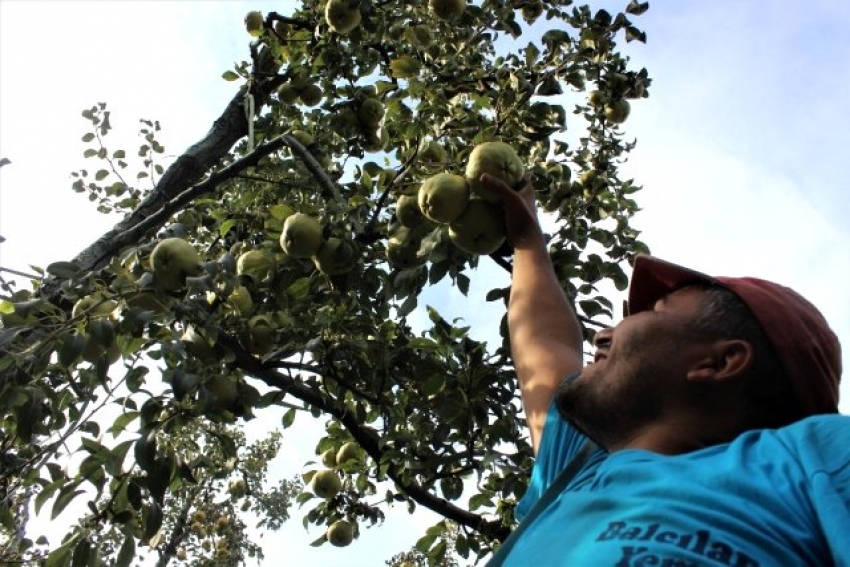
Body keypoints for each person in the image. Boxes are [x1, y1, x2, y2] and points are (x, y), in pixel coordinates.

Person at [478, 173, 848, 566]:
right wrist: (527, 240)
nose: (603, 334)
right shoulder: (577, 468)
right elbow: (544, 345)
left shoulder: (812, 456)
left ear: (719, 363)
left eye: (656, 312)